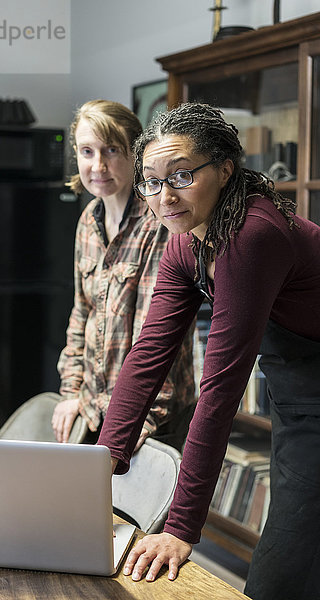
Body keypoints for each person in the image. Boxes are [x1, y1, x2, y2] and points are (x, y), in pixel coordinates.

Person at [97, 102, 320, 600]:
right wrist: (97, 467)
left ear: (224, 169)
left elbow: (219, 391)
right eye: (151, 181)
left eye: (180, 175)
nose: (164, 196)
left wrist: (180, 529)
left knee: (281, 573)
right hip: (297, 388)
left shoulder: (252, 236)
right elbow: (148, 354)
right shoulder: (184, 241)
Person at [50, 99, 196, 451]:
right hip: (94, 409)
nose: (97, 165)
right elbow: (81, 313)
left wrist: (138, 418)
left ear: (136, 153)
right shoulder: (88, 220)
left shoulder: (160, 221)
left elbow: (159, 335)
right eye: (87, 151)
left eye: (111, 149)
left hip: (153, 419)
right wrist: (71, 392)